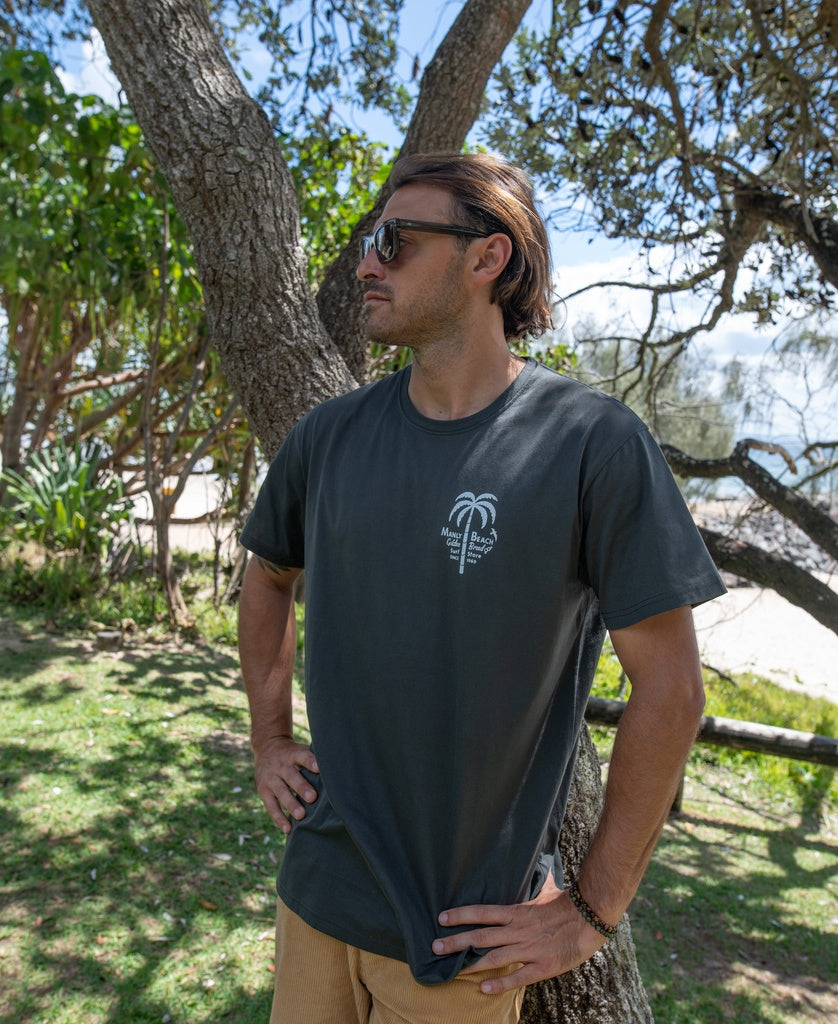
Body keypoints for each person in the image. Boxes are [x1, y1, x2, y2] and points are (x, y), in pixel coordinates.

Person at [237, 152, 726, 1024]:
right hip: (316, 892)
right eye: (367, 241)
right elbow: (268, 576)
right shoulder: (329, 437)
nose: (365, 263)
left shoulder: (593, 445)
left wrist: (591, 908)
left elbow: (671, 690)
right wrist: (270, 738)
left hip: (463, 945)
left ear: (486, 258)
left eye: (394, 240)